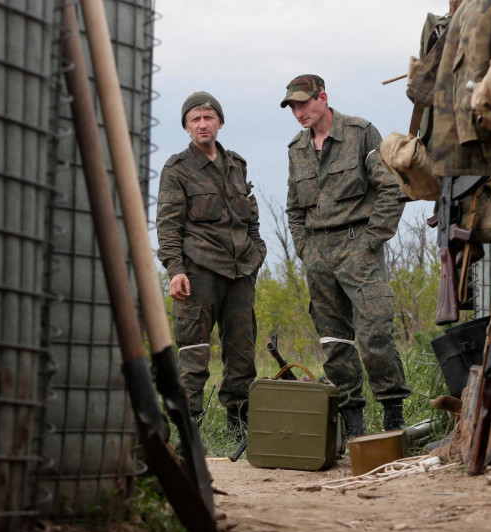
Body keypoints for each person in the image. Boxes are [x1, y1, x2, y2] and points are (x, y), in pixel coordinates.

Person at [281, 74, 411, 440]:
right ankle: (353, 426)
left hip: (358, 246)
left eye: (304, 103)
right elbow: (293, 207)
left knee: (375, 335)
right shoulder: (296, 148)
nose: (299, 112)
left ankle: (393, 417)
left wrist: (373, 239)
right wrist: (304, 248)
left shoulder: (360, 132)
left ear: (323, 98)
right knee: (334, 343)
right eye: (293, 106)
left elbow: (391, 187)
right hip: (318, 254)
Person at [156, 92, 266, 437]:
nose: (202, 124)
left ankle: (239, 424)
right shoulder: (177, 169)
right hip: (198, 272)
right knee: (193, 352)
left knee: (242, 352)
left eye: (208, 117)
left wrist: (256, 253)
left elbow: (251, 219)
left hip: (240, 272)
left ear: (219, 122)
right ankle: (188, 430)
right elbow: (168, 226)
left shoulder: (236, 164)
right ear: (187, 127)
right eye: (195, 119)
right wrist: (175, 270)